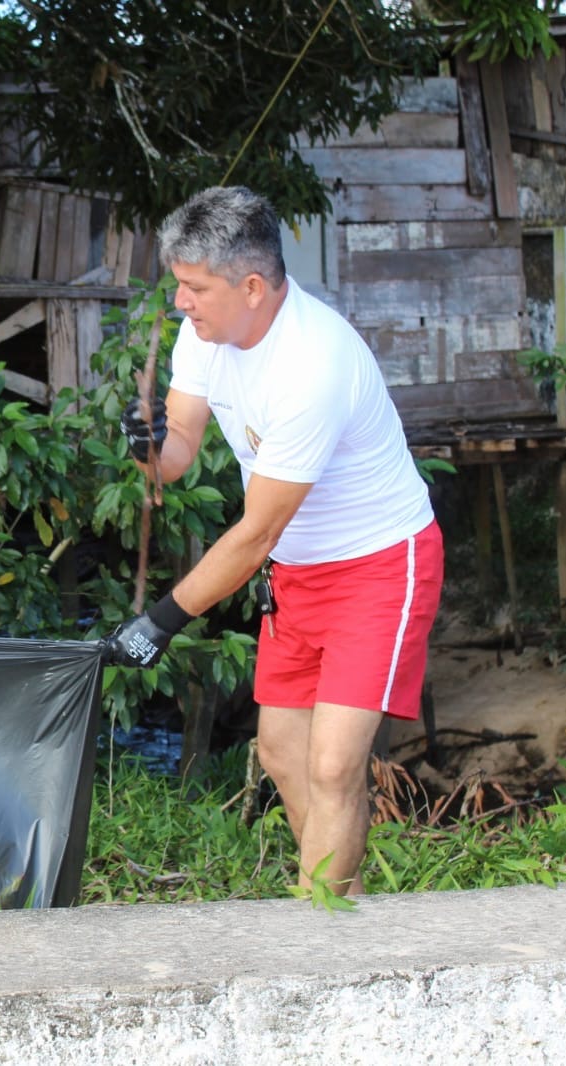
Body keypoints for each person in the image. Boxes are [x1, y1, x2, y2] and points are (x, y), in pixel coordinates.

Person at [105, 185, 443, 896]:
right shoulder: (208, 335)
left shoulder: (310, 365)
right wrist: (148, 446)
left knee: (331, 766)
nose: (181, 304)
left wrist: (160, 622)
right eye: (179, 287)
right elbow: (179, 453)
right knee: (283, 754)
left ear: (251, 287)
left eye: (195, 289)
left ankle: (317, 919)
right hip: (298, 572)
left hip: (377, 565)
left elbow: (254, 534)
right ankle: (335, 903)